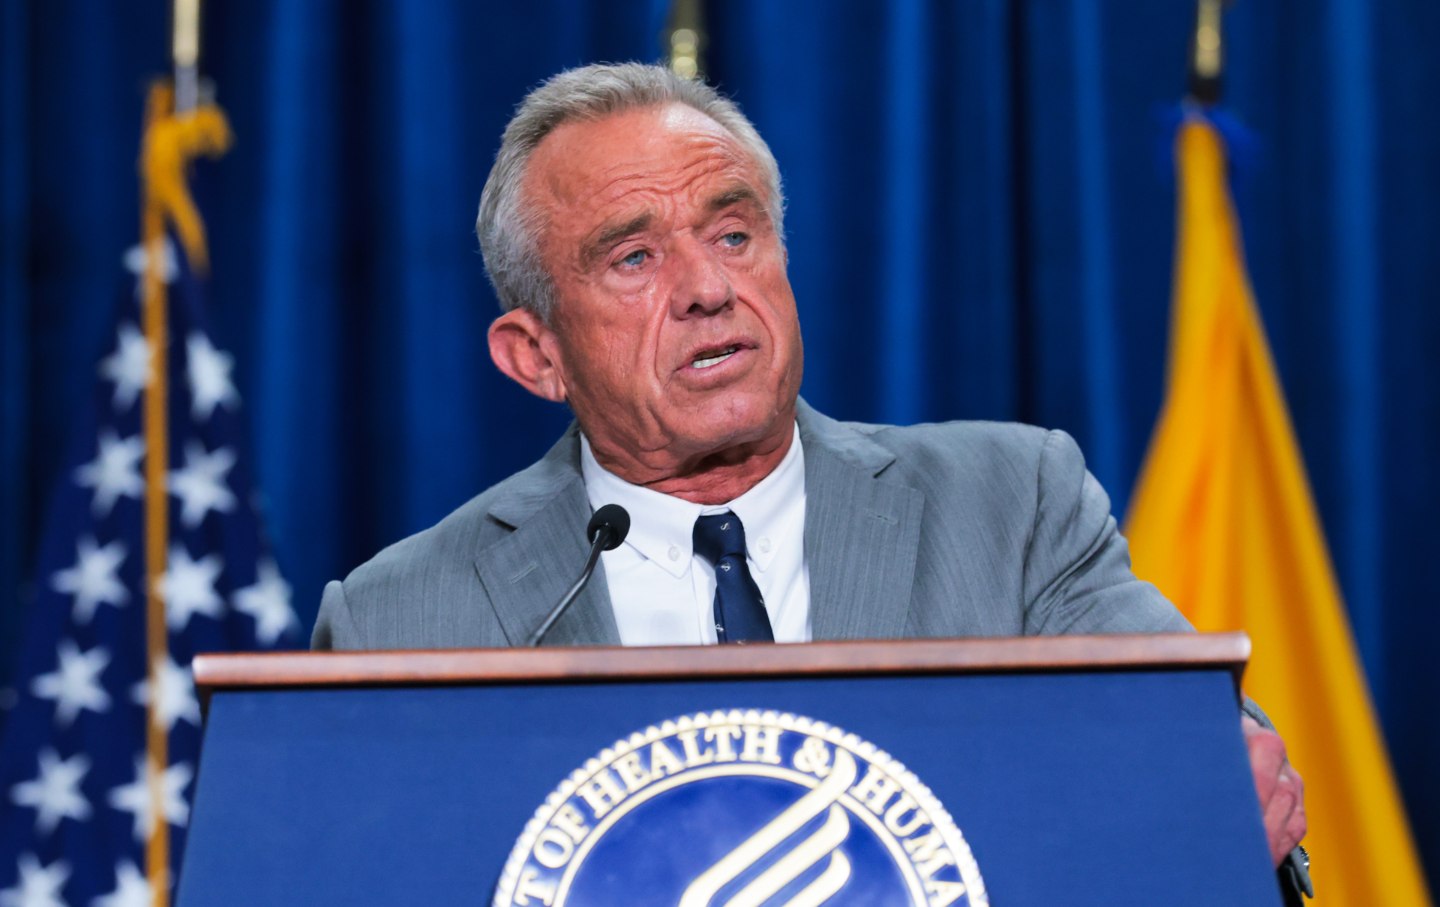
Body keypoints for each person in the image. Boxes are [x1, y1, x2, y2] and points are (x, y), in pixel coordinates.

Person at [312, 62, 1308, 900]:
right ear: (536, 356)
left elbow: (1207, 753)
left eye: (734, 234)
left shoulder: (1011, 503)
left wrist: (1215, 776)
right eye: (633, 257)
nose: (708, 287)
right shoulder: (401, 619)